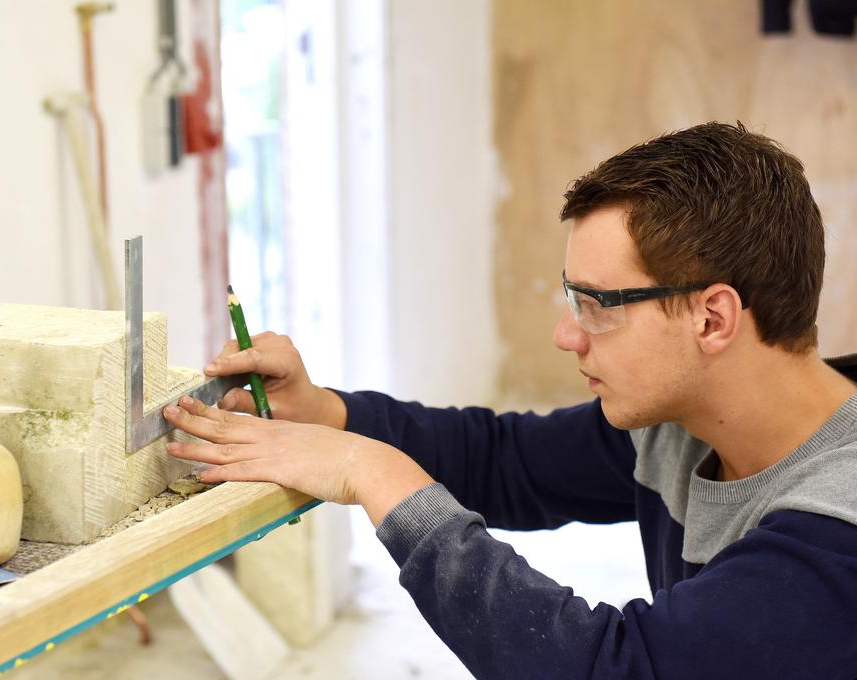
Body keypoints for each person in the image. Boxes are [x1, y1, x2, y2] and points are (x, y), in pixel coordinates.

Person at [163, 122, 857, 679]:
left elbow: (613, 665)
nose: (566, 335)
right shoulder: (686, 426)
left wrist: (376, 474)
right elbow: (508, 461)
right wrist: (325, 413)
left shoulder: (837, 527)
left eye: (597, 306)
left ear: (712, 319)